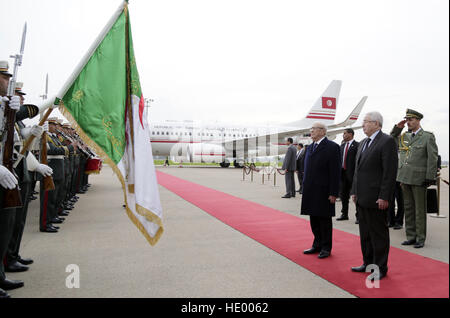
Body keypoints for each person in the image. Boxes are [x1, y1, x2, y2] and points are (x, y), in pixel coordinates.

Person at [350, 111, 397, 280]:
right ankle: (367, 263)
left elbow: (389, 172)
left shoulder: (387, 141)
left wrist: (384, 196)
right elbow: (357, 170)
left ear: (377, 124)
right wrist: (354, 191)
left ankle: (380, 267)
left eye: (366, 122)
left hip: (377, 198)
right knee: (365, 234)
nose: (363, 125)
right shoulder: (363, 142)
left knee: (378, 235)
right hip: (362, 197)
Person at [390, 109, 438, 248]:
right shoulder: (404, 136)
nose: (408, 122)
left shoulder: (427, 137)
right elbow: (391, 139)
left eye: (411, 120)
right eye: (407, 119)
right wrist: (398, 128)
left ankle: (420, 238)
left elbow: (432, 158)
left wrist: (429, 177)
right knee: (408, 208)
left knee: (419, 210)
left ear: (418, 120)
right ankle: (410, 236)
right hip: (404, 178)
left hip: (419, 178)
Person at [0, 60, 24, 297]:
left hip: (7, 176)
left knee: (5, 228)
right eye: (4, 77)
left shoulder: (6, 108)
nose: (8, 81)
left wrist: (13, 112)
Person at [301, 122, 341, 259]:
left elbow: (335, 172)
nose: (311, 131)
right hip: (311, 190)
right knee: (313, 219)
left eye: (314, 129)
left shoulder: (332, 147)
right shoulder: (310, 147)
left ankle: (326, 247)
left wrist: (334, 192)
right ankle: (316, 244)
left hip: (324, 191)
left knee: (324, 220)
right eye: (310, 129)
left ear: (323, 131)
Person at [336, 128, 359, 222]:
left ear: (350, 134)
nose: (343, 135)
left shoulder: (357, 145)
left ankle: (359, 216)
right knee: (343, 195)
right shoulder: (342, 146)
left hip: (353, 174)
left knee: (356, 196)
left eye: (345, 133)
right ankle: (344, 214)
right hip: (343, 174)